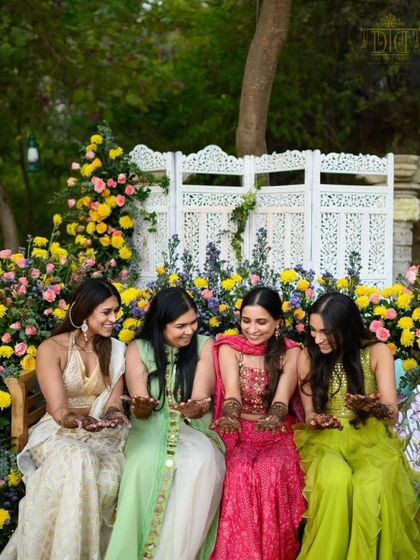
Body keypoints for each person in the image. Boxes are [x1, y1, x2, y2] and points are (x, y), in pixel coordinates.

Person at [0, 278, 130, 560]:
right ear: (85, 312)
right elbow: (58, 409)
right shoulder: (53, 348)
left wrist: (111, 417)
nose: (114, 319)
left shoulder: (116, 350)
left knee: (109, 477)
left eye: (116, 311)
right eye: (106, 312)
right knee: (78, 458)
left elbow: (114, 403)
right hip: (58, 433)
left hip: (101, 434)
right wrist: (78, 421)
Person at [295, 292, 419, 560]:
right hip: (325, 438)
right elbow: (309, 415)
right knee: (334, 481)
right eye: (313, 330)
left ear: (346, 327)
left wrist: (370, 407)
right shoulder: (308, 355)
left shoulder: (377, 352)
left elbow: (391, 416)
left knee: (369, 485)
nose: (316, 339)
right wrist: (318, 419)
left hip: (371, 437)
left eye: (325, 332)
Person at [105, 287, 225, 560]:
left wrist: (194, 408)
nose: (189, 330)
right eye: (180, 326)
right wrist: (142, 406)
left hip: (193, 427)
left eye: (193, 322)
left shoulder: (205, 345)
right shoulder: (139, 348)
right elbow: (140, 402)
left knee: (200, 462)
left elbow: (199, 397)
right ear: (160, 324)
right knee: (143, 463)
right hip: (149, 427)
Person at [210, 287, 306, 560]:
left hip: (276, 432)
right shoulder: (230, 348)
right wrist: (229, 416)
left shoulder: (291, 352)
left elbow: (281, 401)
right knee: (238, 472)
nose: (251, 330)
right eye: (246, 321)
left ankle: (271, 552)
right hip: (236, 429)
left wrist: (274, 418)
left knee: (271, 471)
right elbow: (232, 394)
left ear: (278, 322)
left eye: (261, 322)